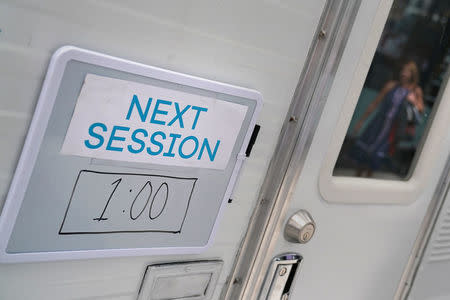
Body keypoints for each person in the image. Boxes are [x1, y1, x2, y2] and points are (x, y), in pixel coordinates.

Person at [351, 61, 424, 177]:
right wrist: (361, 121)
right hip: (378, 124)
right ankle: (357, 177)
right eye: (403, 70)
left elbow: (421, 109)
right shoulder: (392, 85)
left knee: (376, 158)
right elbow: (375, 103)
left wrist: (413, 101)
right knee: (364, 154)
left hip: (392, 129)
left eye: (408, 71)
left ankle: (367, 179)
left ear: (413, 74)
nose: (404, 73)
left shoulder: (415, 90)